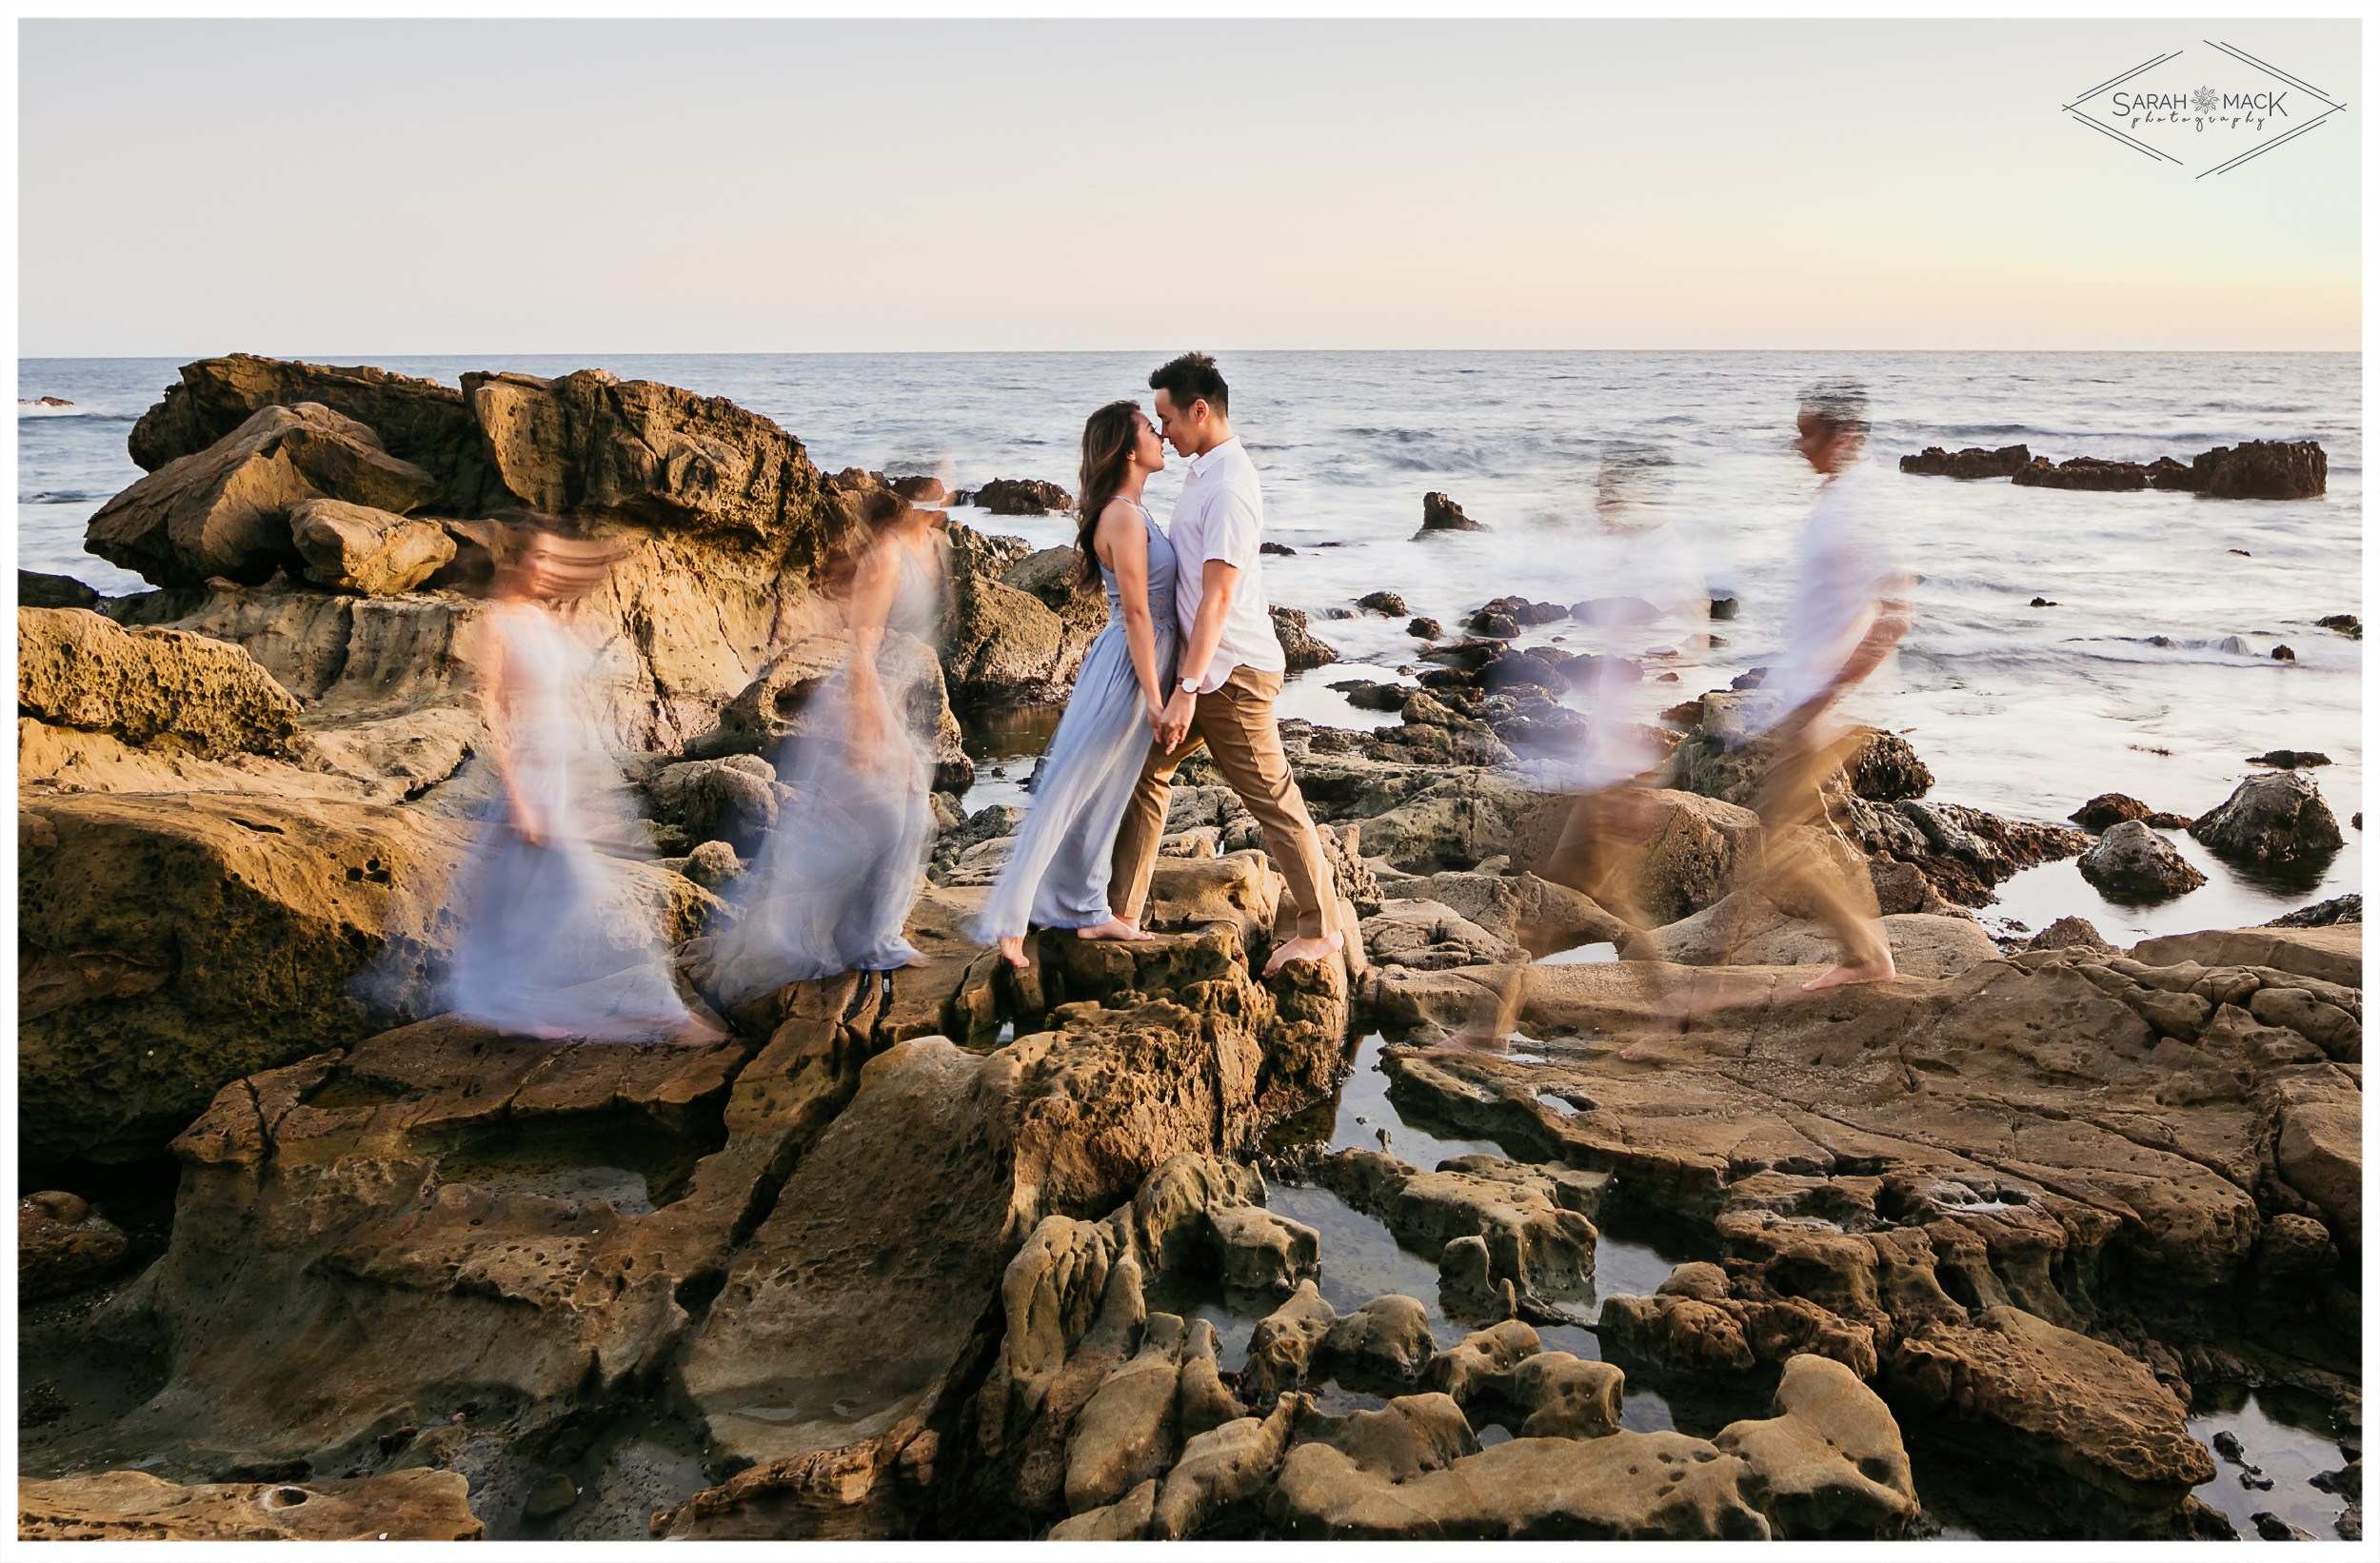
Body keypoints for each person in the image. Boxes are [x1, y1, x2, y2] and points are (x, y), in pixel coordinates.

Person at [1448, 454, 1708, 1049]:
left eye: (1609, 496)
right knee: (1606, 907)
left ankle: (1488, 1032)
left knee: (1543, 911)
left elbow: (1670, 676)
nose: (1600, 506)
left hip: (1617, 780)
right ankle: (1675, 1017)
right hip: (1609, 774)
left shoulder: (1664, 570)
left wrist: (1637, 777)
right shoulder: (1644, 561)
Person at [437, 516, 722, 1044]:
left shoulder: (545, 621)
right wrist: (520, 797)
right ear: (516, 560)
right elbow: (491, 712)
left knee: (523, 892)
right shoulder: (499, 623)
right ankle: (662, 1016)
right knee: (574, 885)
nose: (548, 569)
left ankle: (505, 997)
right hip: (531, 773)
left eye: (554, 559)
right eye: (539, 558)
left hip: (565, 769)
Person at [1108, 352, 1343, 978]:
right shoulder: (1204, 472)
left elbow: (1216, 596)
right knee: (1145, 772)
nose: (1162, 432)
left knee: (1271, 797)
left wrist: (1184, 688)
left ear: (1201, 411)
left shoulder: (1232, 486)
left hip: (1230, 675)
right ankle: (1122, 913)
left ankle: (1323, 931)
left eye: (1167, 418)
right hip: (1205, 669)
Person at [710, 485, 951, 1004]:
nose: (951, 491)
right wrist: (868, 726)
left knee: (905, 819)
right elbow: (862, 645)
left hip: (891, 699)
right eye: (939, 482)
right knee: (884, 821)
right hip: (863, 698)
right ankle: (837, 937)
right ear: (915, 494)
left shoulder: (928, 549)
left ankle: (870, 936)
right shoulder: (887, 557)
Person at [975, 401, 1179, 966]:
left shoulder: (1135, 510)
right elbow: (1137, 614)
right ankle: (1013, 920)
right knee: (1072, 786)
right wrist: (1158, 701)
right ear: (1127, 449)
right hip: (1128, 667)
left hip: (1143, 661)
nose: (1159, 433)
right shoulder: (1122, 516)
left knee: (1108, 791)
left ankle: (1086, 908)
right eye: (1147, 428)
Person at [1731, 379, 1912, 991]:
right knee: (1810, 828)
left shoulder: (1867, 504)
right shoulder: (1834, 500)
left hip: (1832, 701)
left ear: (1845, 435)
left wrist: (1829, 692)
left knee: (1775, 835)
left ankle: (1867, 958)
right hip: (1808, 692)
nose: (1796, 444)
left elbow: (1895, 616)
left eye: (1808, 432)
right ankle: (1867, 952)